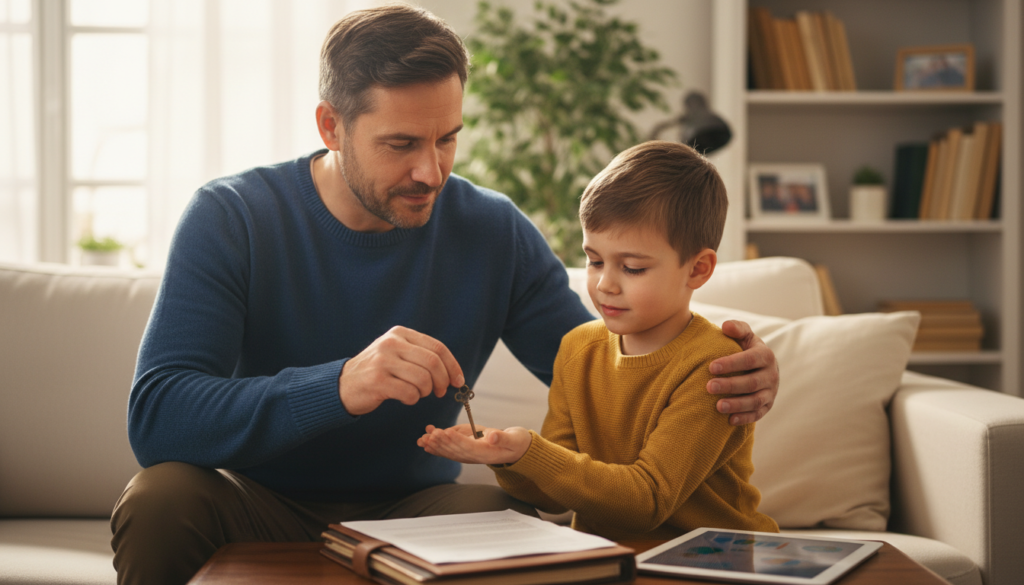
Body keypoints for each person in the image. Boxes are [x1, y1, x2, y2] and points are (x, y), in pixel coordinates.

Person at [109, 5, 780, 584]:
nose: (430, 171)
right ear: (330, 126)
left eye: (448, 138)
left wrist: (716, 360)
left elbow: (603, 366)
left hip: (414, 505)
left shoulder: (490, 228)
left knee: (507, 524)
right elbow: (159, 416)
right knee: (161, 497)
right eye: (400, 143)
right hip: (253, 494)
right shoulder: (232, 216)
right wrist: (341, 383)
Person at [419, 141, 779, 540]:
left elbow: (647, 501)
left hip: (717, 561)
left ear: (698, 269)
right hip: (609, 560)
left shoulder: (713, 367)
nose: (605, 284)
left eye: (632, 267)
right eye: (594, 261)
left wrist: (528, 451)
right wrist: (507, 456)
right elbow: (553, 496)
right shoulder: (578, 349)